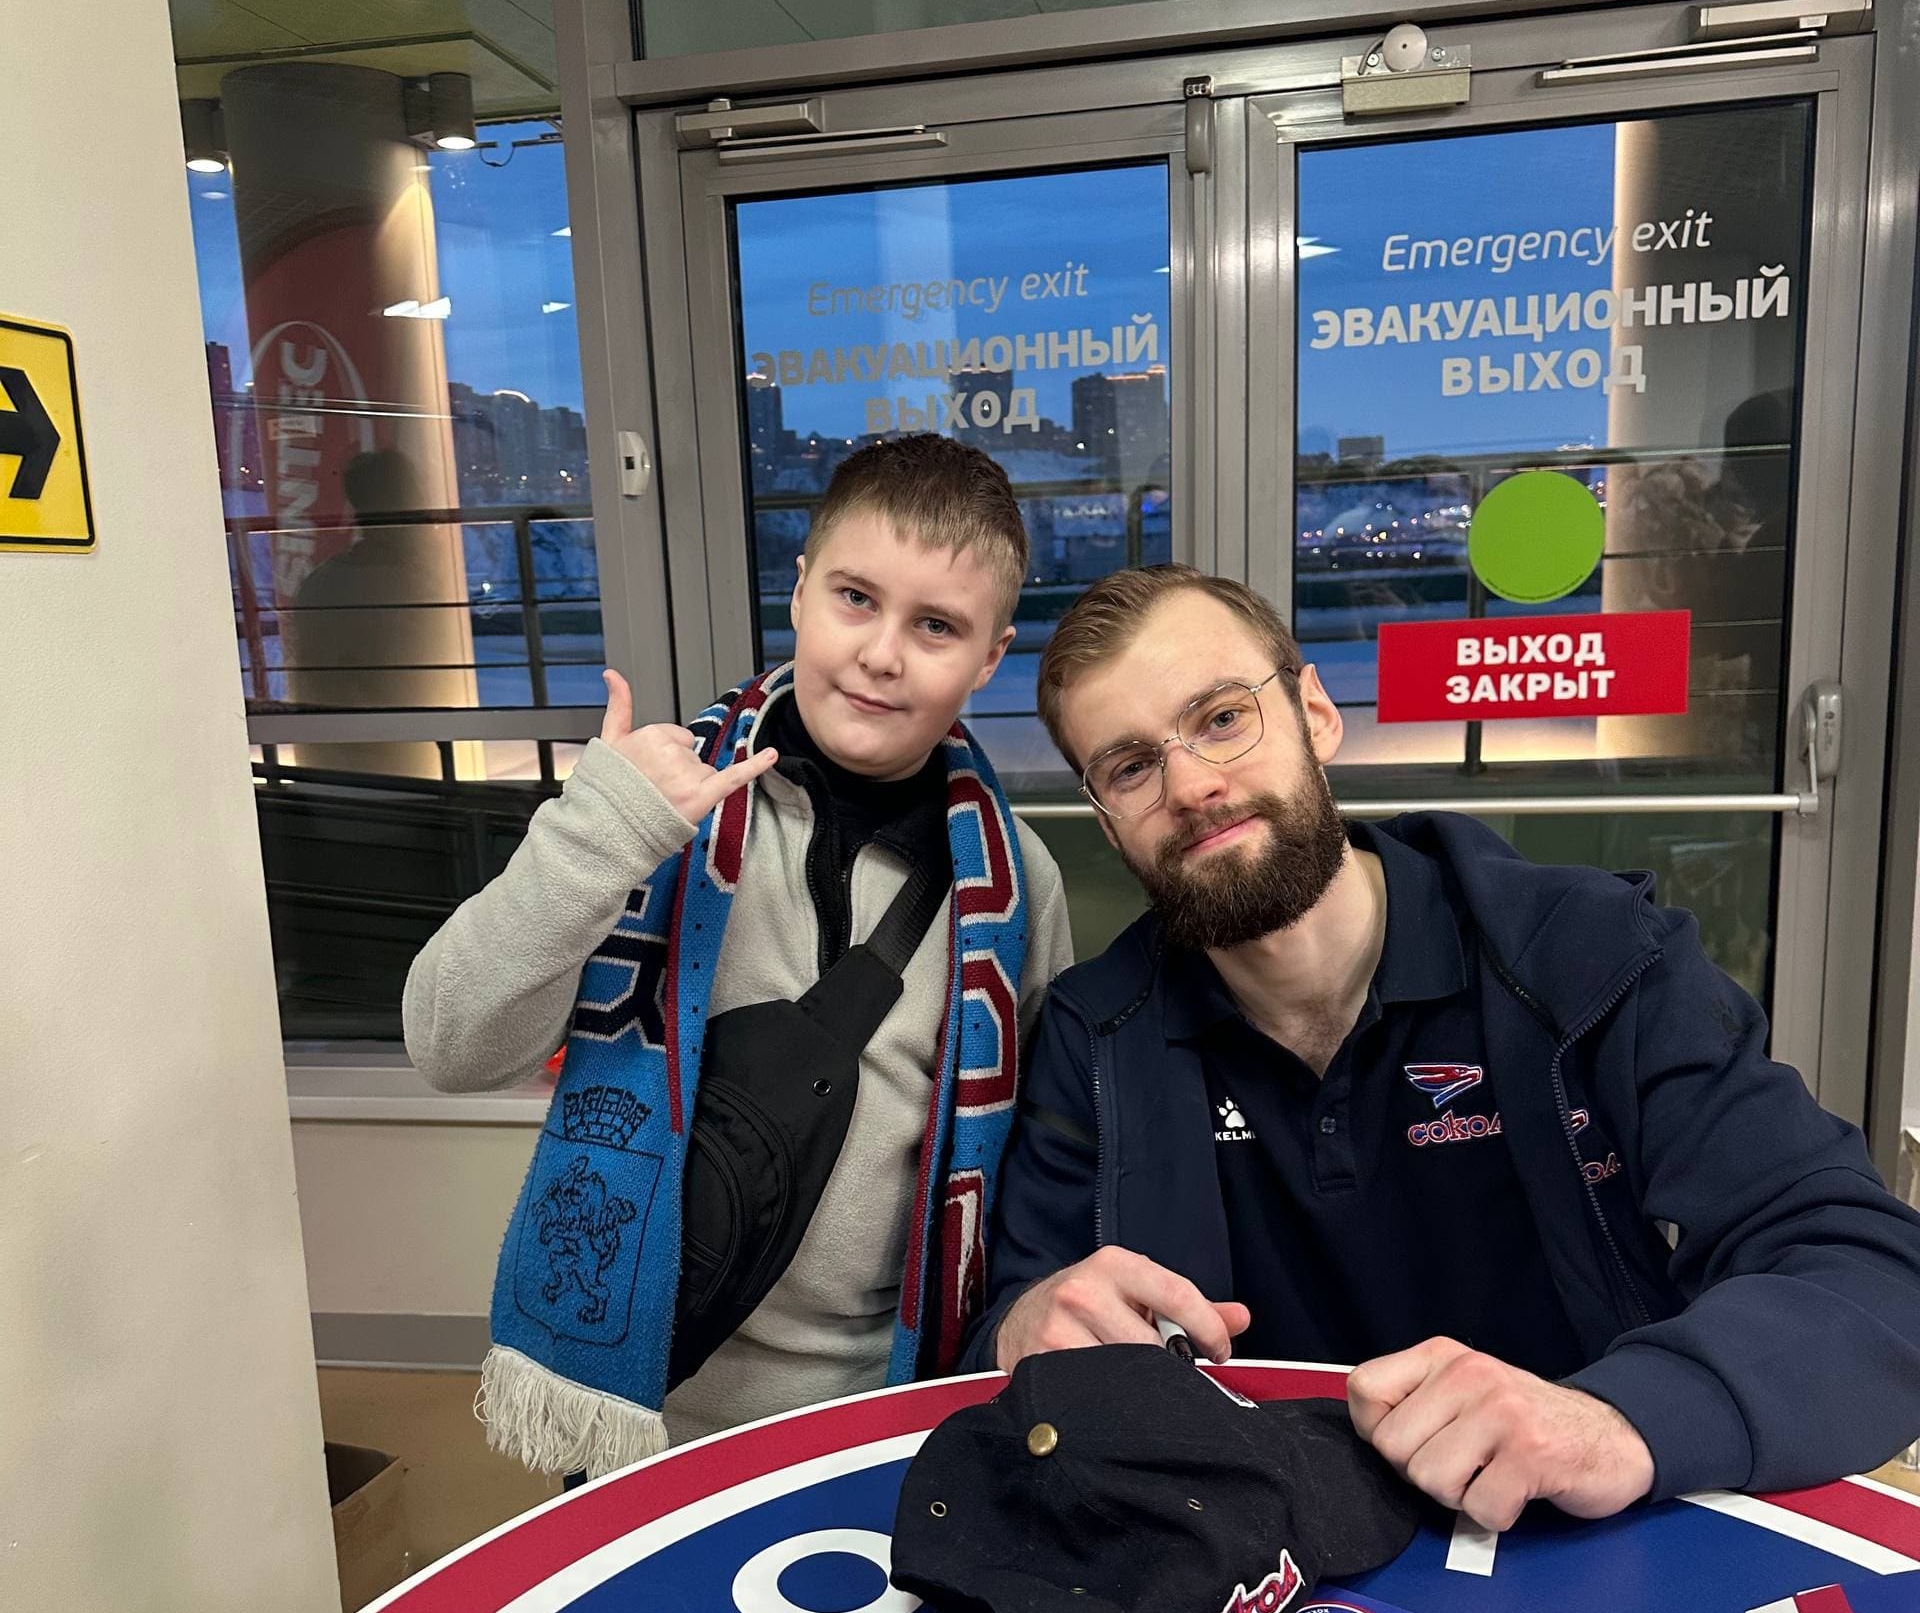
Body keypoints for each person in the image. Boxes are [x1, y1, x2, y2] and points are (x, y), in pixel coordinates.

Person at [971, 563, 1920, 1529]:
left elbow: (1870, 1273)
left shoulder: (1585, 958)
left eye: (1221, 718)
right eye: (1131, 768)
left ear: (1315, 714)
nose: (1191, 786)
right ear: (1106, 820)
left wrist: (1616, 1419)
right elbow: (1009, 1332)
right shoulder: (1095, 1037)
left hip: (1573, 1533)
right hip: (1243, 1550)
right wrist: (1023, 1327)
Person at [407, 435, 1070, 1472]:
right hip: (640, 1404)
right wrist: (596, 835)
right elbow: (450, 1045)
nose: (882, 653)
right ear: (800, 591)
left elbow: (1035, 1159)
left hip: (889, 1414)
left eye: (936, 625)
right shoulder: (652, 807)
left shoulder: (1017, 880)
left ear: (990, 658)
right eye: (856, 598)